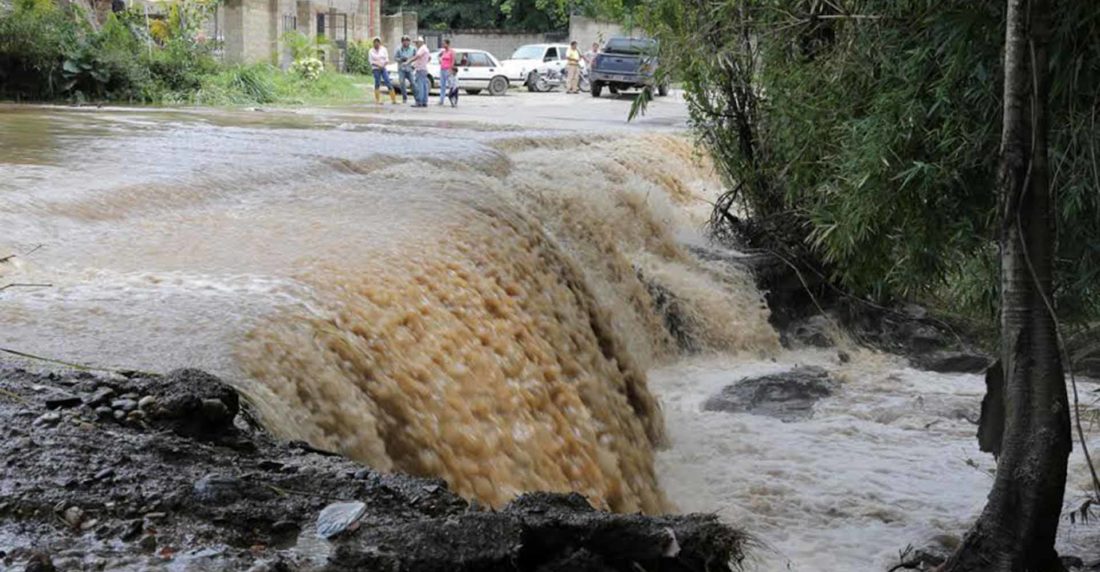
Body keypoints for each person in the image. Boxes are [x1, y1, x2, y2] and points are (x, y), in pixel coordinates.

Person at [369, 37, 397, 105]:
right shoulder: (371, 51)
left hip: (383, 68)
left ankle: (393, 99)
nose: (376, 43)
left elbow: (387, 59)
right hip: (376, 68)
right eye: (375, 42)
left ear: (380, 43)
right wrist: (378, 65)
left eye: (378, 42)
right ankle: (377, 100)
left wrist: (383, 65)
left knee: (388, 81)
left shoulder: (384, 49)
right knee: (377, 83)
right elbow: (371, 61)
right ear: (373, 43)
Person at [393, 35, 416, 104]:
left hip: (409, 69)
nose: (406, 42)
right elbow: (395, 58)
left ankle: (416, 97)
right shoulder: (398, 49)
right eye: (404, 41)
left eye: (407, 41)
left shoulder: (413, 49)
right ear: (402, 42)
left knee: (413, 83)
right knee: (402, 83)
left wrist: (413, 65)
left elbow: (416, 57)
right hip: (401, 69)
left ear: (409, 42)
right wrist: (401, 59)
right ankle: (404, 98)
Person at [412, 36, 431, 107]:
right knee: (424, 86)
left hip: (420, 69)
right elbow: (429, 58)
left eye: (417, 42)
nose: (416, 44)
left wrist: (408, 61)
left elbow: (417, 57)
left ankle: (419, 101)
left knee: (420, 86)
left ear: (420, 42)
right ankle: (424, 101)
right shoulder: (426, 49)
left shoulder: (422, 49)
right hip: (423, 69)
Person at [438, 39, 455, 106]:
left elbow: (453, 61)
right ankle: (441, 100)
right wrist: (440, 60)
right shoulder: (443, 51)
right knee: (442, 85)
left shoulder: (451, 52)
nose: (443, 45)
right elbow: (440, 58)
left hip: (448, 70)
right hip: (442, 69)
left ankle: (453, 99)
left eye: (444, 44)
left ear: (448, 44)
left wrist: (451, 70)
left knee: (451, 85)